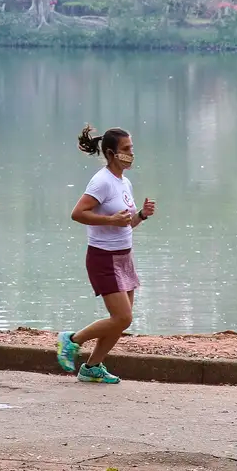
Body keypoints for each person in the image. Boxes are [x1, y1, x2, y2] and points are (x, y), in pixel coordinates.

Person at [56, 125, 157, 385]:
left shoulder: (124, 182)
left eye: (132, 149)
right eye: (126, 150)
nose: (131, 154)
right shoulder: (101, 181)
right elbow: (77, 213)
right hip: (103, 258)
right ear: (112, 153)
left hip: (124, 257)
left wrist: (141, 215)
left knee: (119, 322)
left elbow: (126, 223)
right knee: (123, 317)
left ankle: (92, 367)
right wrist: (110, 220)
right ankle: (71, 340)